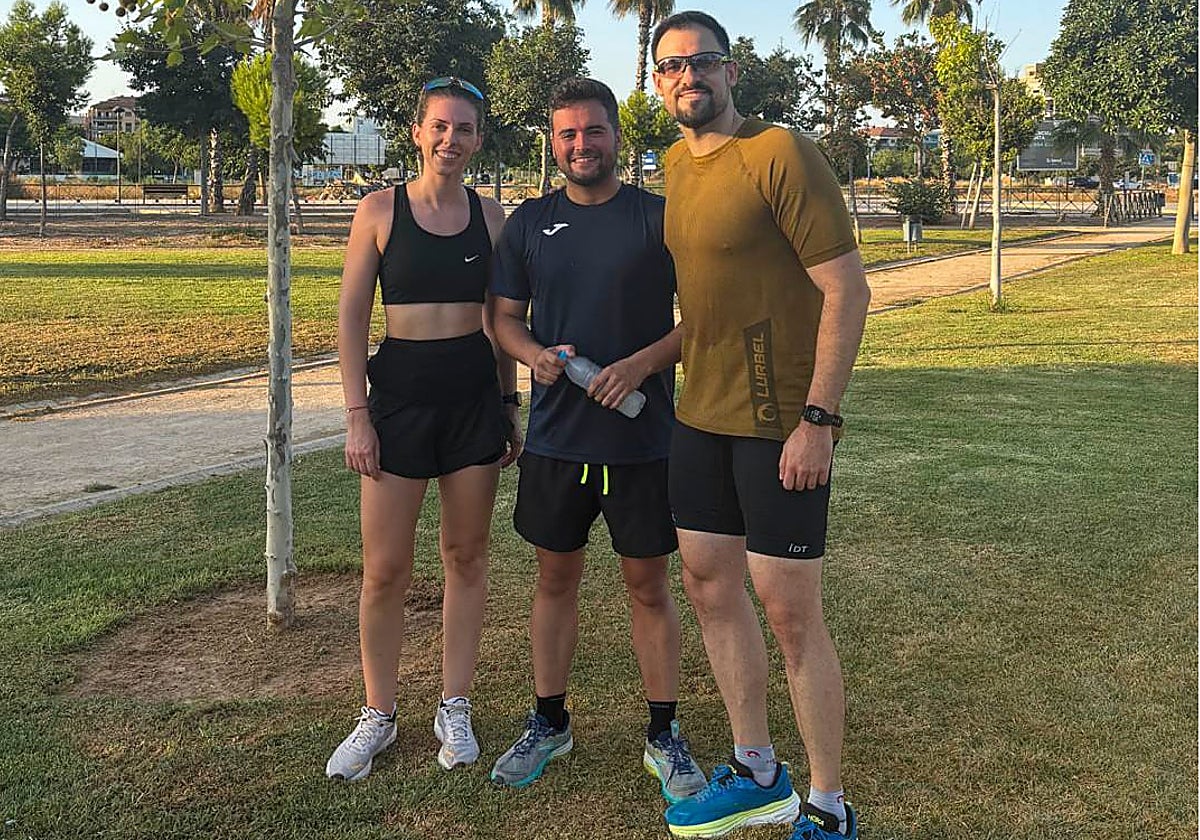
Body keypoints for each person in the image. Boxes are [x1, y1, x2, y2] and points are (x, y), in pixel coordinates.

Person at [650, 12, 872, 840]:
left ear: (732, 71)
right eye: (671, 67)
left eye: (702, 62)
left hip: (780, 423)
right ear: (658, 81)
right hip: (698, 417)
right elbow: (704, 299)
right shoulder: (674, 163)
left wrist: (819, 419)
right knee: (709, 587)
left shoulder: (780, 153)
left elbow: (848, 291)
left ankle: (826, 804)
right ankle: (755, 770)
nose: (687, 78)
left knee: (788, 612)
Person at [487, 77, 706, 803]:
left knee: (648, 586)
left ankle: (663, 734)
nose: (582, 145)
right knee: (555, 580)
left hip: (645, 442)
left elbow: (700, 319)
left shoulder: (657, 220)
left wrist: (641, 364)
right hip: (557, 441)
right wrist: (534, 358)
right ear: (553, 144)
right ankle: (549, 722)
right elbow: (505, 319)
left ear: (619, 136)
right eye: (568, 134)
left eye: (594, 131)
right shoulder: (529, 223)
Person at [326, 76, 521, 782]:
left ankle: (455, 704)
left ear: (477, 138)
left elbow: (504, 325)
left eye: (464, 129)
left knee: (466, 558)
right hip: (398, 403)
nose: (451, 140)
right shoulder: (379, 211)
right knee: (384, 571)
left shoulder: (491, 217)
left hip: (472, 400)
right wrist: (357, 416)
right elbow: (350, 319)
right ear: (416, 131)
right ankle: (378, 713)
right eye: (439, 126)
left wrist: (508, 405)